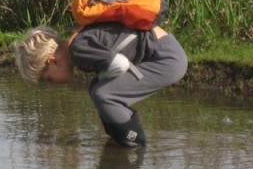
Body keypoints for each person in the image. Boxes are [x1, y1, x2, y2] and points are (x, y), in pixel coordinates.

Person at [12, 22, 187, 147]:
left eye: (48, 79)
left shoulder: (79, 51)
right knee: (96, 88)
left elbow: (120, 64)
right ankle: (119, 138)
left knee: (104, 94)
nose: (52, 85)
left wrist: (105, 83)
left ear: (53, 61)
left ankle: (135, 145)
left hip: (167, 59)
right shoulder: (77, 44)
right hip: (165, 51)